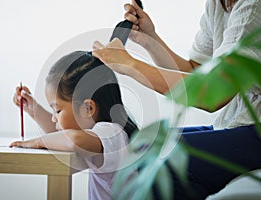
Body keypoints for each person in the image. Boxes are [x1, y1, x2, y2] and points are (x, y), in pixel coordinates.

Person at [92, 0, 261, 199]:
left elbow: (212, 94)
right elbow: (197, 72)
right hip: (239, 125)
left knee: (163, 159)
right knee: (146, 145)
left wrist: (129, 64)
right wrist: (150, 40)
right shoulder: (218, 4)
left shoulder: (252, 6)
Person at [10, 51, 138, 200]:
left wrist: (37, 142)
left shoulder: (112, 133)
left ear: (88, 109)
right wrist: (33, 109)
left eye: (57, 110)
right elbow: (61, 136)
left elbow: (74, 140)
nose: (53, 118)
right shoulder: (96, 137)